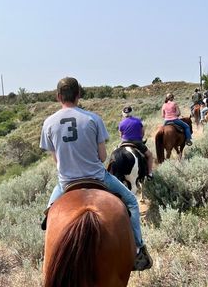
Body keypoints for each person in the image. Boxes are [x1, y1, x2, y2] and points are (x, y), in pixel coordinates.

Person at [40, 77, 153, 271]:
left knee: (49, 217)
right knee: (133, 202)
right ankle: (137, 249)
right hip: (98, 177)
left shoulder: (49, 123)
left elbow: (56, 160)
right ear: (79, 95)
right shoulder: (93, 119)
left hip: (66, 182)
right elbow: (102, 157)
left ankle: (49, 260)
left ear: (58, 96)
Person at [118, 106, 154, 179]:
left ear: (123, 114)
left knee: (116, 153)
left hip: (124, 142)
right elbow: (142, 133)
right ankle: (150, 173)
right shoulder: (138, 121)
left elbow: (121, 135)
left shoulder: (121, 123)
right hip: (137, 142)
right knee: (149, 155)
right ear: (132, 112)